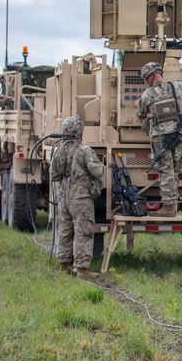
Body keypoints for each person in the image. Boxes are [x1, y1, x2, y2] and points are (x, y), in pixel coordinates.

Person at [136, 61, 182, 217]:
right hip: (178, 135)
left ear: (149, 77)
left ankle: (168, 208)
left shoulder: (147, 94)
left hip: (161, 138)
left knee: (166, 170)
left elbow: (140, 113)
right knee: (174, 170)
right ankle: (172, 204)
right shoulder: (175, 87)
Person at [50, 115, 105, 280]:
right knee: (84, 231)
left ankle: (64, 265)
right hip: (80, 198)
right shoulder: (84, 150)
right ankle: (82, 269)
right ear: (79, 132)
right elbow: (98, 171)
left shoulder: (59, 150)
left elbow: (53, 175)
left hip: (64, 197)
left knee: (65, 230)